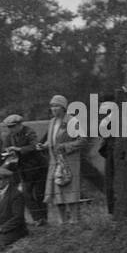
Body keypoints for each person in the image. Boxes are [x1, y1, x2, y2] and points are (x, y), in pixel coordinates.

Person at [40, 94, 84, 224]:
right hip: (55, 161)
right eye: (52, 106)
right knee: (57, 191)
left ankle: (74, 220)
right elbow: (53, 140)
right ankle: (62, 221)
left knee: (71, 190)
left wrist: (66, 146)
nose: (53, 109)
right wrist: (44, 145)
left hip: (69, 161)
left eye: (57, 106)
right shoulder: (52, 122)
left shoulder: (72, 121)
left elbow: (82, 140)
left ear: (64, 107)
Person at [1, 114, 47, 225]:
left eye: (13, 126)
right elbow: (6, 149)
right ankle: (37, 218)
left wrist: (18, 149)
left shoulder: (29, 132)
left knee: (40, 193)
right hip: (23, 170)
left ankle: (44, 218)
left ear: (19, 124)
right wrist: (9, 153)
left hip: (38, 167)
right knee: (26, 194)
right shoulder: (9, 136)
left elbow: (34, 146)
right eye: (9, 127)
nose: (11, 129)